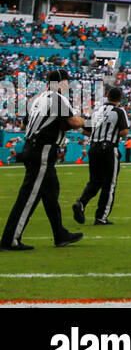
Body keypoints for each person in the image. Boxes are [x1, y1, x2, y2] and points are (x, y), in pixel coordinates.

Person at [1, 69, 84, 250]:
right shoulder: (57, 98)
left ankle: (59, 233)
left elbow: (24, 124)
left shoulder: (38, 99)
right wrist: (85, 121)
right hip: (43, 150)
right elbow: (74, 123)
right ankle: (10, 239)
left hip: (32, 146)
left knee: (50, 192)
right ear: (62, 83)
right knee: (28, 196)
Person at [73, 85, 130, 227]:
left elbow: (85, 131)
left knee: (95, 181)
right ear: (120, 98)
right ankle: (101, 217)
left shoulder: (96, 110)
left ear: (108, 96)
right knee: (109, 184)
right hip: (109, 149)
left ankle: (81, 202)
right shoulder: (119, 111)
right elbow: (124, 132)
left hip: (94, 148)